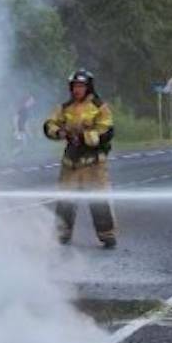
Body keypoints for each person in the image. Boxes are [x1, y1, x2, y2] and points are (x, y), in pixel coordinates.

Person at [44, 69, 117, 248]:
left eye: (81, 86)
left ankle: (106, 234)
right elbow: (49, 125)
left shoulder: (100, 107)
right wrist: (59, 132)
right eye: (75, 86)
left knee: (98, 200)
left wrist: (83, 137)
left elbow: (106, 131)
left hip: (93, 164)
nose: (77, 90)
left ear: (88, 87)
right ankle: (62, 233)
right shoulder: (65, 108)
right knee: (65, 199)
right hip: (71, 163)